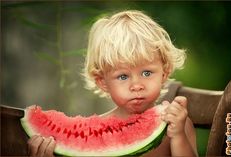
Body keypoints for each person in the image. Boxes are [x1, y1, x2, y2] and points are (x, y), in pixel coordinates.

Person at [27, 10, 198, 157]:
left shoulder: (179, 124)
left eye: (147, 73)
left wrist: (178, 136)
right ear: (103, 82)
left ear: (164, 73)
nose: (136, 85)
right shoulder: (92, 135)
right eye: (123, 76)